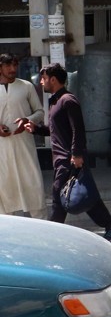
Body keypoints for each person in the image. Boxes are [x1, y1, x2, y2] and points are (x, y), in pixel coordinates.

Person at [20, 64, 111, 241]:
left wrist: (76, 155)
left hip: (69, 157)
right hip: (62, 158)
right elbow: (56, 129)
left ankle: (53, 235)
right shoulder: (55, 101)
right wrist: (36, 129)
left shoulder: (68, 100)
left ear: (53, 79)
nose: (41, 82)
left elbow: (78, 130)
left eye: (43, 78)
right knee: (85, 193)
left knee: (58, 196)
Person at [0, 53, 46, 218]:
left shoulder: (26, 86)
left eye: (15, 65)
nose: (12, 69)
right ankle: (8, 237)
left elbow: (40, 112)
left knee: (33, 185)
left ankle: (43, 232)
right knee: (5, 189)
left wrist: (28, 120)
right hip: (2, 149)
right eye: (8, 66)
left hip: (24, 144)